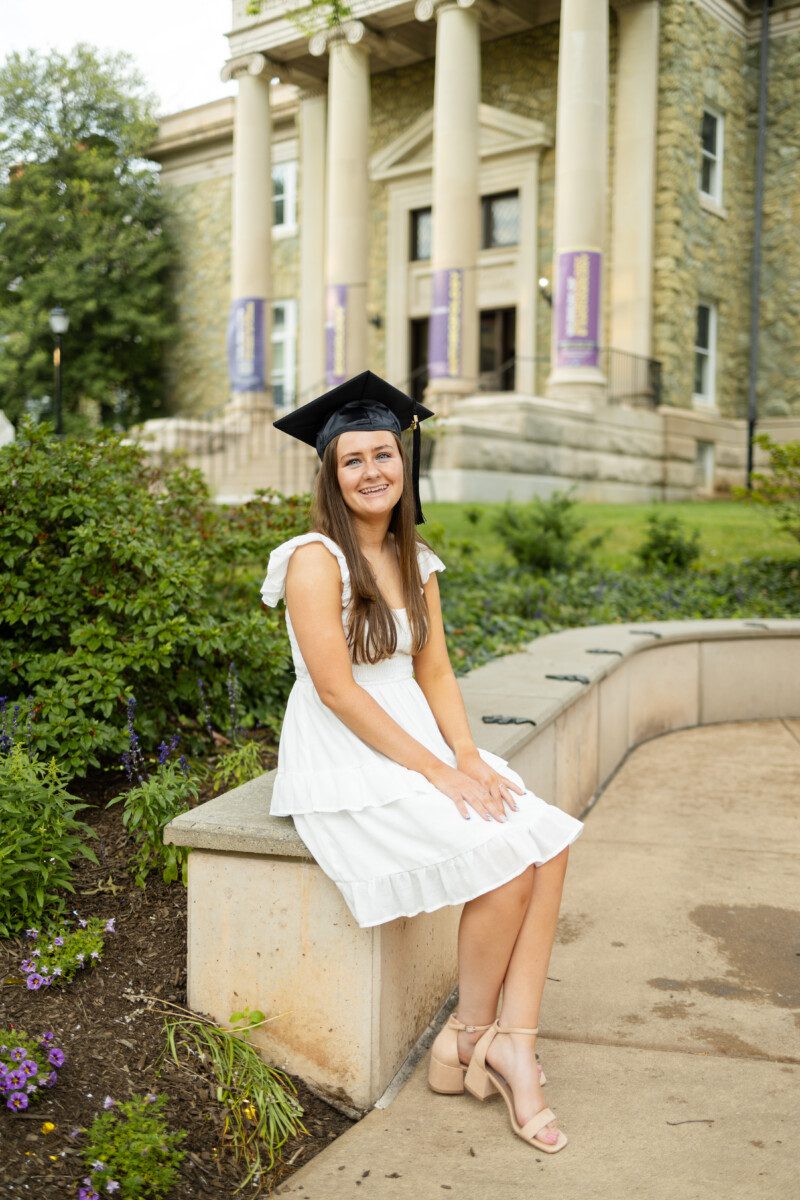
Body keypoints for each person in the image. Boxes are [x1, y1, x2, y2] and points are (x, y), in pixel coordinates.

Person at [260, 370, 584, 1154]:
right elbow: (338, 692)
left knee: (548, 837)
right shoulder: (313, 559)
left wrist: (470, 759)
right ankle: (474, 1037)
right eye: (353, 461)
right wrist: (437, 772)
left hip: (416, 738)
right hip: (348, 751)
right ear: (332, 477)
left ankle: (506, 1038)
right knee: (508, 862)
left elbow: (434, 672)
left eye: (385, 454)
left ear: (406, 465)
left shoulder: (416, 558)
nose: (373, 471)